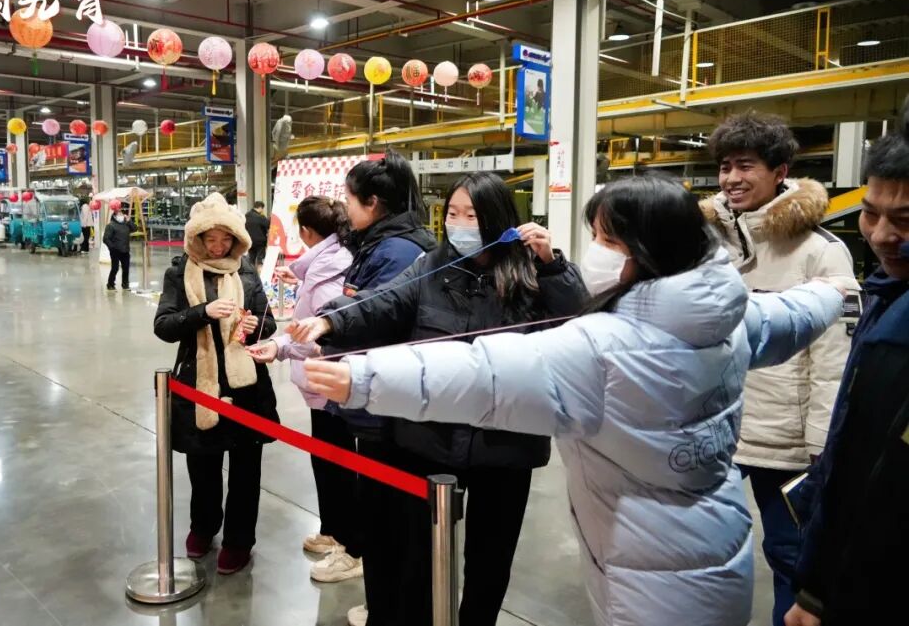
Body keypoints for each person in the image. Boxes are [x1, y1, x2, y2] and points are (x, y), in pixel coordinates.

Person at [303, 175, 847, 626]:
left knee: (490, 559)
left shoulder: (605, 343)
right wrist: (834, 291)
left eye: (605, 238)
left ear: (644, 249)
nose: (596, 249)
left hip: (647, 569)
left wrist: (361, 376)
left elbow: (483, 373)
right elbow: (793, 314)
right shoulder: (729, 315)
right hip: (720, 541)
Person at [289, 172, 587, 626]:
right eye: (453, 213)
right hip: (430, 438)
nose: (459, 224)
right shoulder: (432, 266)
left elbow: (579, 323)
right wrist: (330, 321)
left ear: (498, 219)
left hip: (506, 442)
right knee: (420, 556)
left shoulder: (530, 272)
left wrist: (552, 266)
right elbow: (382, 301)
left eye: (472, 215)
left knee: (489, 560)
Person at [700, 112, 859, 626]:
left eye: (746, 166)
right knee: (701, 549)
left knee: (790, 555)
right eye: (725, 166)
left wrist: (821, 444)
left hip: (783, 440)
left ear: (780, 171)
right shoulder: (707, 244)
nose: (731, 178)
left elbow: (833, 361)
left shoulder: (820, 252)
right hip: (716, 427)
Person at [785, 102, 909, 626]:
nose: (879, 235)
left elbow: (879, 486)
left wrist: (820, 590)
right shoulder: (887, 292)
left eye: (904, 220)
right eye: (871, 213)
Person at [302, 150, 437, 626]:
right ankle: (385, 605)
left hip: (385, 400)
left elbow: (377, 317)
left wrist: (329, 326)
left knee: (391, 518)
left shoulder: (395, 251)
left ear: (373, 202)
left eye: (349, 198)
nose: (345, 207)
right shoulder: (383, 243)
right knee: (385, 514)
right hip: (379, 396)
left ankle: (392, 610)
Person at [153, 192, 277, 575]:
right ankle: (203, 526)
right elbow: (164, 326)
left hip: (246, 387)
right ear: (198, 238)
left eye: (226, 239)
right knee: (202, 465)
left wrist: (255, 326)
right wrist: (203, 312)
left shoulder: (246, 271)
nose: (219, 247)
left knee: (246, 470)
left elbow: (268, 322)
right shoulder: (180, 273)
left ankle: (239, 540)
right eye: (211, 239)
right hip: (199, 385)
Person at [246, 196, 355, 557]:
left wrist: (279, 347)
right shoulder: (332, 260)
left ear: (306, 232)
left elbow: (321, 334)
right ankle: (334, 528)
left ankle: (342, 536)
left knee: (333, 461)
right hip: (327, 384)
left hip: (329, 384)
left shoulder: (326, 276)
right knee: (329, 459)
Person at [102, 208, 133, 291]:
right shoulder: (110, 225)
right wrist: (112, 248)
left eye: (122, 214)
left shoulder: (126, 224)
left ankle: (125, 284)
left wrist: (129, 221)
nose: (121, 216)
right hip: (115, 250)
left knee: (126, 268)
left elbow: (134, 228)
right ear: (115, 216)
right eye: (119, 214)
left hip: (125, 250)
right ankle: (110, 284)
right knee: (115, 268)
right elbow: (106, 239)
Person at [245, 200, 269, 267]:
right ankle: (259, 272)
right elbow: (268, 225)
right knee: (260, 260)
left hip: (250, 241)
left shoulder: (246, 215)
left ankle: (251, 271)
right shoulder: (261, 217)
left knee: (251, 259)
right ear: (260, 208)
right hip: (260, 242)